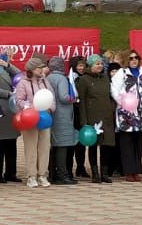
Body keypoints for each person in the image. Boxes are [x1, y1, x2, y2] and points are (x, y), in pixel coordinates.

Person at [108, 50, 142, 182]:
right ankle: (128, 171)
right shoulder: (121, 73)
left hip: (138, 113)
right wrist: (122, 102)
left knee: (138, 143)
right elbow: (113, 89)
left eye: (136, 58)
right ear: (126, 60)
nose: (134, 60)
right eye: (131, 58)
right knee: (126, 143)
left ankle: (137, 170)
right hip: (125, 114)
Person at [75, 54, 116, 183]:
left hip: (106, 117)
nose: (99, 66)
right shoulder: (84, 80)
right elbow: (81, 102)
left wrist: (112, 109)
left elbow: (111, 95)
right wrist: (84, 122)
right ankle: (95, 173)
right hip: (92, 118)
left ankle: (104, 172)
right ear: (90, 65)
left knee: (106, 146)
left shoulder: (105, 78)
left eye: (100, 63)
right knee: (93, 145)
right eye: (96, 64)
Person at [13, 57, 52, 188]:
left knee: (44, 147)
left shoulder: (45, 81)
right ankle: (31, 176)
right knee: (31, 148)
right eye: (39, 68)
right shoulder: (23, 83)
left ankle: (42, 174)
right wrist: (30, 107)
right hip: (30, 119)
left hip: (44, 119)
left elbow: (51, 97)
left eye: (42, 67)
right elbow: (18, 100)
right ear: (31, 69)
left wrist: (50, 108)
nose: (42, 70)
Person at [0, 50, 20, 184]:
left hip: (12, 111)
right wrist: (8, 93)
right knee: (0, 144)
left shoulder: (9, 69)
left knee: (12, 143)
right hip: (1, 109)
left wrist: (8, 65)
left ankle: (11, 173)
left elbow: (20, 75)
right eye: (5, 55)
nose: (8, 57)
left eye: (10, 55)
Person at [44, 57, 78, 184]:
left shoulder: (48, 78)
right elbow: (64, 97)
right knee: (62, 146)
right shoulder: (62, 79)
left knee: (54, 145)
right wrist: (74, 98)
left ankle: (52, 173)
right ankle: (62, 175)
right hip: (63, 116)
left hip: (52, 115)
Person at [68, 56, 93, 178]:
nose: (82, 68)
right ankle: (68, 169)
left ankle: (81, 167)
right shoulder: (69, 79)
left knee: (82, 143)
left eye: (83, 65)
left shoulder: (86, 78)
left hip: (83, 112)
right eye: (79, 65)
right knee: (72, 142)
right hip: (72, 113)